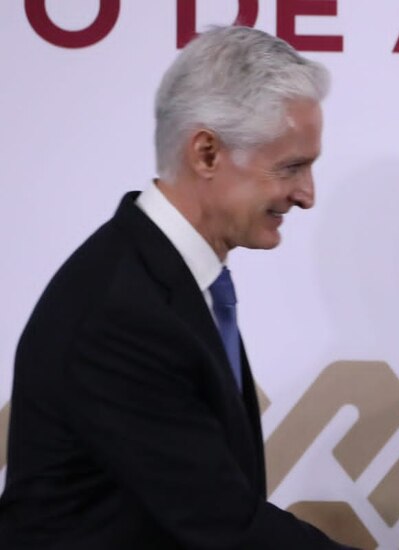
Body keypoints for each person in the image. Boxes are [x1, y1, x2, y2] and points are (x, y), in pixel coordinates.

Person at [0, 26, 354, 549]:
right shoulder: (122, 313)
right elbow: (223, 523)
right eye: (291, 167)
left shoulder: (166, 282)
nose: (306, 195)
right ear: (207, 153)